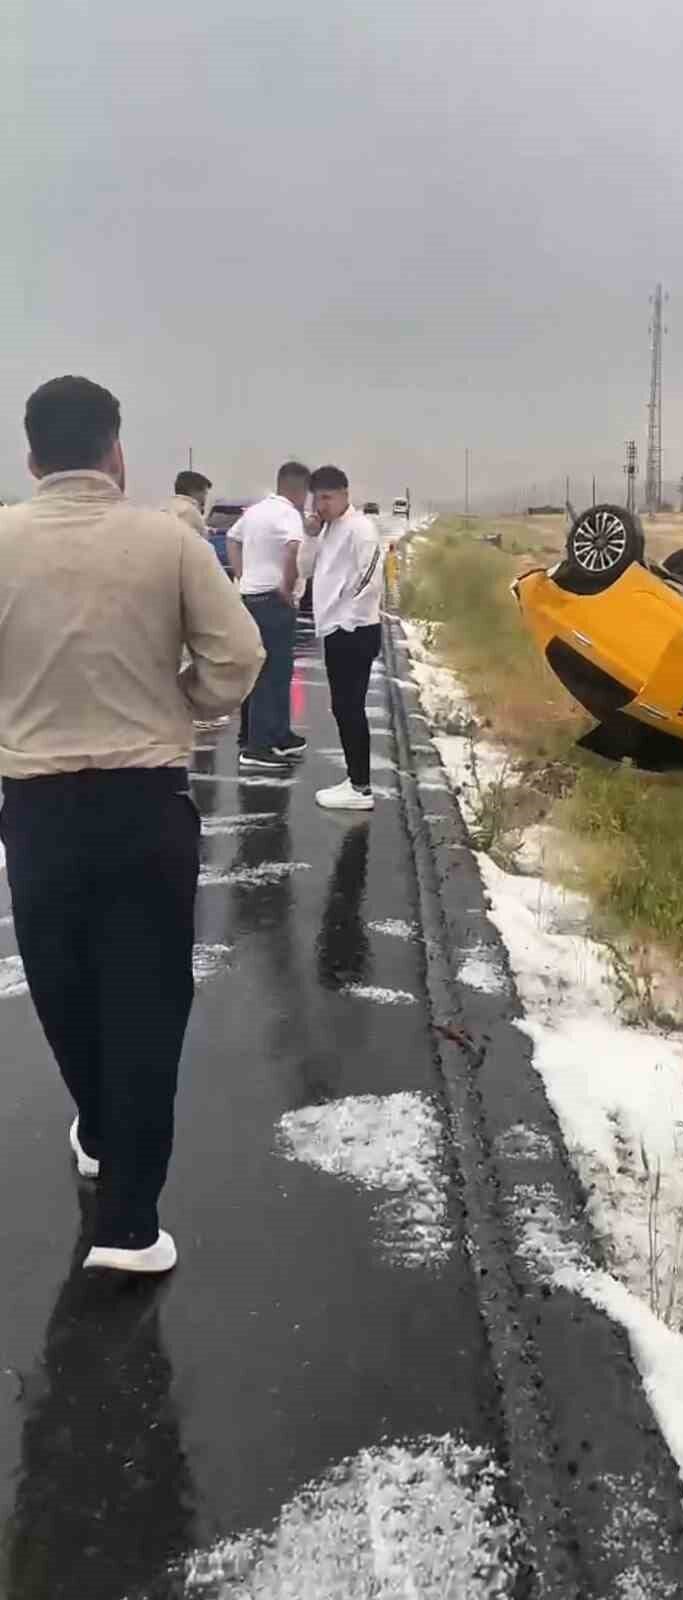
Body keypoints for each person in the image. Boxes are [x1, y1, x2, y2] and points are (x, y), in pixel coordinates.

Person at [0, 375, 264, 1274]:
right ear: (115, 450)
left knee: (62, 984)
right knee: (147, 1001)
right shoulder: (169, 539)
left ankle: (99, 1128)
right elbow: (241, 652)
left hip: (35, 807)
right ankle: (129, 1226)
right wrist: (185, 707)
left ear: (32, 454)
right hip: (144, 801)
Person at [308, 465, 384, 811]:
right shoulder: (329, 529)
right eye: (317, 498)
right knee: (343, 707)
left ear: (344, 495)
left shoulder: (360, 528)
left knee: (349, 707)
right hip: (336, 631)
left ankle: (360, 787)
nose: (321, 504)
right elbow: (310, 569)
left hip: (354, 632)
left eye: (327, 497)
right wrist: (310, 535)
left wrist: (347, 621)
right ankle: (356, 779)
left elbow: (371, 578)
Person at [227, 463, 311, 770]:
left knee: (270, 669)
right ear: (300, 490)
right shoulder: (290, 514)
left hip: (250, 597)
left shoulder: (256, 511)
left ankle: (275, 734)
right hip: (273, 603)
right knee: (271, 672)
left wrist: (242, 575)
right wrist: (287, 589)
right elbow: (292, 550)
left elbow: (232, 540)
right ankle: (257, 747)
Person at [161, 469, 212, 537]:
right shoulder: (190, 511)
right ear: (193, 491)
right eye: (204, 493)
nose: (205, 497)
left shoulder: (166, 506)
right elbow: (203, 538)